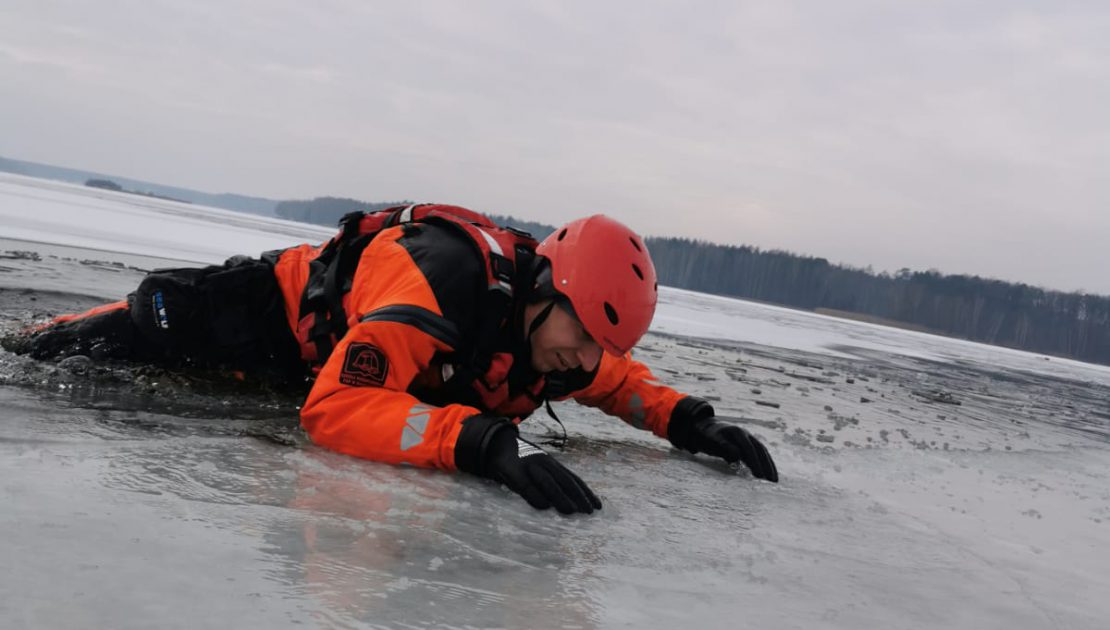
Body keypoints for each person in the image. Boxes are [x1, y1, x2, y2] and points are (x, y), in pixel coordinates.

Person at [9, 203, 778, 514]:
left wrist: (690, 422)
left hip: (327, 364)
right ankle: (32, 333)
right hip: (269, 318)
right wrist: (479, 442)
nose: (581, 364)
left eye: (595, 350)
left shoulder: (556, 338)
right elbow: (334, 410)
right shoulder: (447, 283)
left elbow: (616, 381)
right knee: (119, 335)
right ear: (543, 288)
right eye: (577, 338)